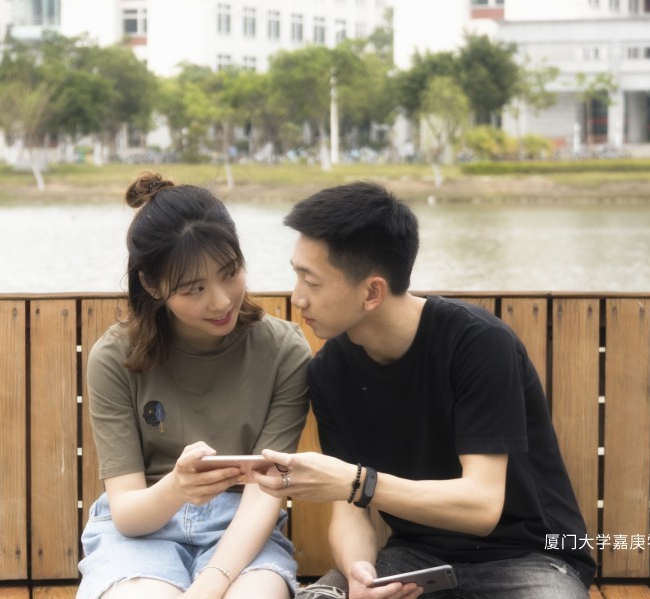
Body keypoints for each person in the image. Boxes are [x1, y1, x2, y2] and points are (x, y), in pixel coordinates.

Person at [254, 181, 596, 599]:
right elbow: (350, 512)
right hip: (415, 558)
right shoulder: (330, 372)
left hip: (531, 557)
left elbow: (482, 506)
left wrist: (359, 483)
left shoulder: (478, 343)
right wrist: (359, 572)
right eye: (297, 276)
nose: (297, 298)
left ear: (372, 292)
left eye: (312, 282)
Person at [78, 172, 311, 599]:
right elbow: (127, 511)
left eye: (230, 272)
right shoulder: (115, 358)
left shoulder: (284, 351)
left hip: (241, 529)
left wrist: (208, 585)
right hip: (142, 530)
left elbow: (262, 496)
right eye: (194, 289)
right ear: (151, 285)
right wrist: (177, 487)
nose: (221, 300)